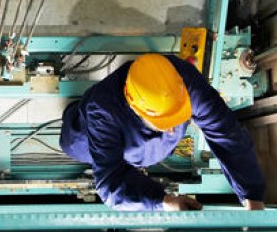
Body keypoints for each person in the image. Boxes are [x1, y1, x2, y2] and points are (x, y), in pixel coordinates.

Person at [60, 52, 265, 211]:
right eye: (166, 122)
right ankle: (74, 111)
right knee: (72, 143)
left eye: (178, 117)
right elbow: (110, 182)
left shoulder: (184, 81)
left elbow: (227, 133)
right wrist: (161, 201)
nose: (173, 129)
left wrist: (252, 195)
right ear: (135, 108)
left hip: (141, 140)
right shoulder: (103, 110)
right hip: (89, 133)